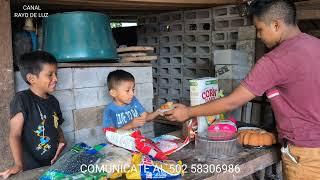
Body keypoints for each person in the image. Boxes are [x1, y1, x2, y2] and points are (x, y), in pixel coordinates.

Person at [165, 0, 320, 179]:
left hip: (306, 154)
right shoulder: (315, 45)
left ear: (276, 25)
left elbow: (233, 101)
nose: (259, 36)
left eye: (260, 29)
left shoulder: (275, 60)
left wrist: (188, 112)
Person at [0, 51, 66, 179]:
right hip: (32, 167)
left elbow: (57, 125)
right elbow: (15, 135)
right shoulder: (22, 100)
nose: (56, 79)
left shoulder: (53, 101)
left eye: (56, 74)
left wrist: (62, 140)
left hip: (53, 164)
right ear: (31, 78)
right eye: (50, 75)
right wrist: (18, 165)